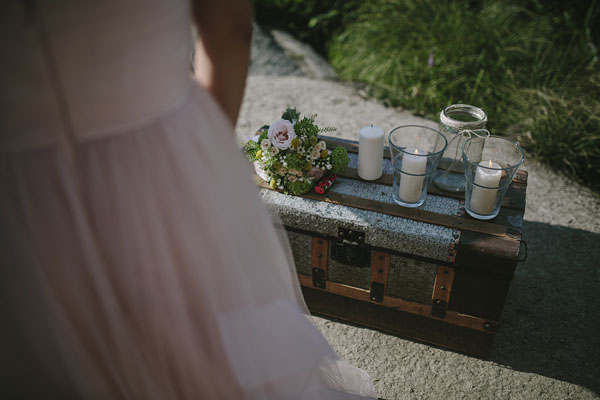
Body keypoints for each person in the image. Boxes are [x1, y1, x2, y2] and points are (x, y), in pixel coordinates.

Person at [0, 0, 377, 398]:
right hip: (156, 159)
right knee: (192, 341)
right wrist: (202, 162)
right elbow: (229, 30)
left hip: (19, 196)